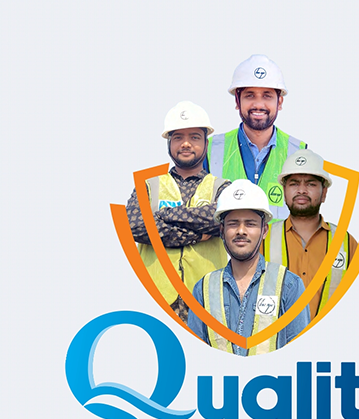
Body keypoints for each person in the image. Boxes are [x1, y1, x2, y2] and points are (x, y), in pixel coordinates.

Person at [126, 101, 229, 320]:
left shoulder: (223, 188)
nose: (186, 144)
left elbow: (219, 219)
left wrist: (163, 216)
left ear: (206, 143)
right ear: (169, 143)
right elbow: (135, 226)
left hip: (206, 302)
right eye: (178, 137)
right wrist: (196, 235)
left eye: (194, 137)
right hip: (155, 298)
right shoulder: (148, 185)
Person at [188, 180, 310, 355]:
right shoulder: (203, 290)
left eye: (250, 223)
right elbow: (196, 356)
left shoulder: (289, 285)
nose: (241, 231)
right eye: (233, 223)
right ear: (221, 230)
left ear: (264, 230)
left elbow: (299, 355)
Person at [207, 55, 307, 221]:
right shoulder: (210, 150)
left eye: (267, 95)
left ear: (280, 102)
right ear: (237, 101)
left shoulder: (299, 153)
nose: (259, 104)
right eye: (250, 95)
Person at [262, 150, 358, 320]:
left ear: (324, 193)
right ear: (284, 191)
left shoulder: (346, 242)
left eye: (311, 184)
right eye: (294, 184)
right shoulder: (262, 239)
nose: (302, 190)